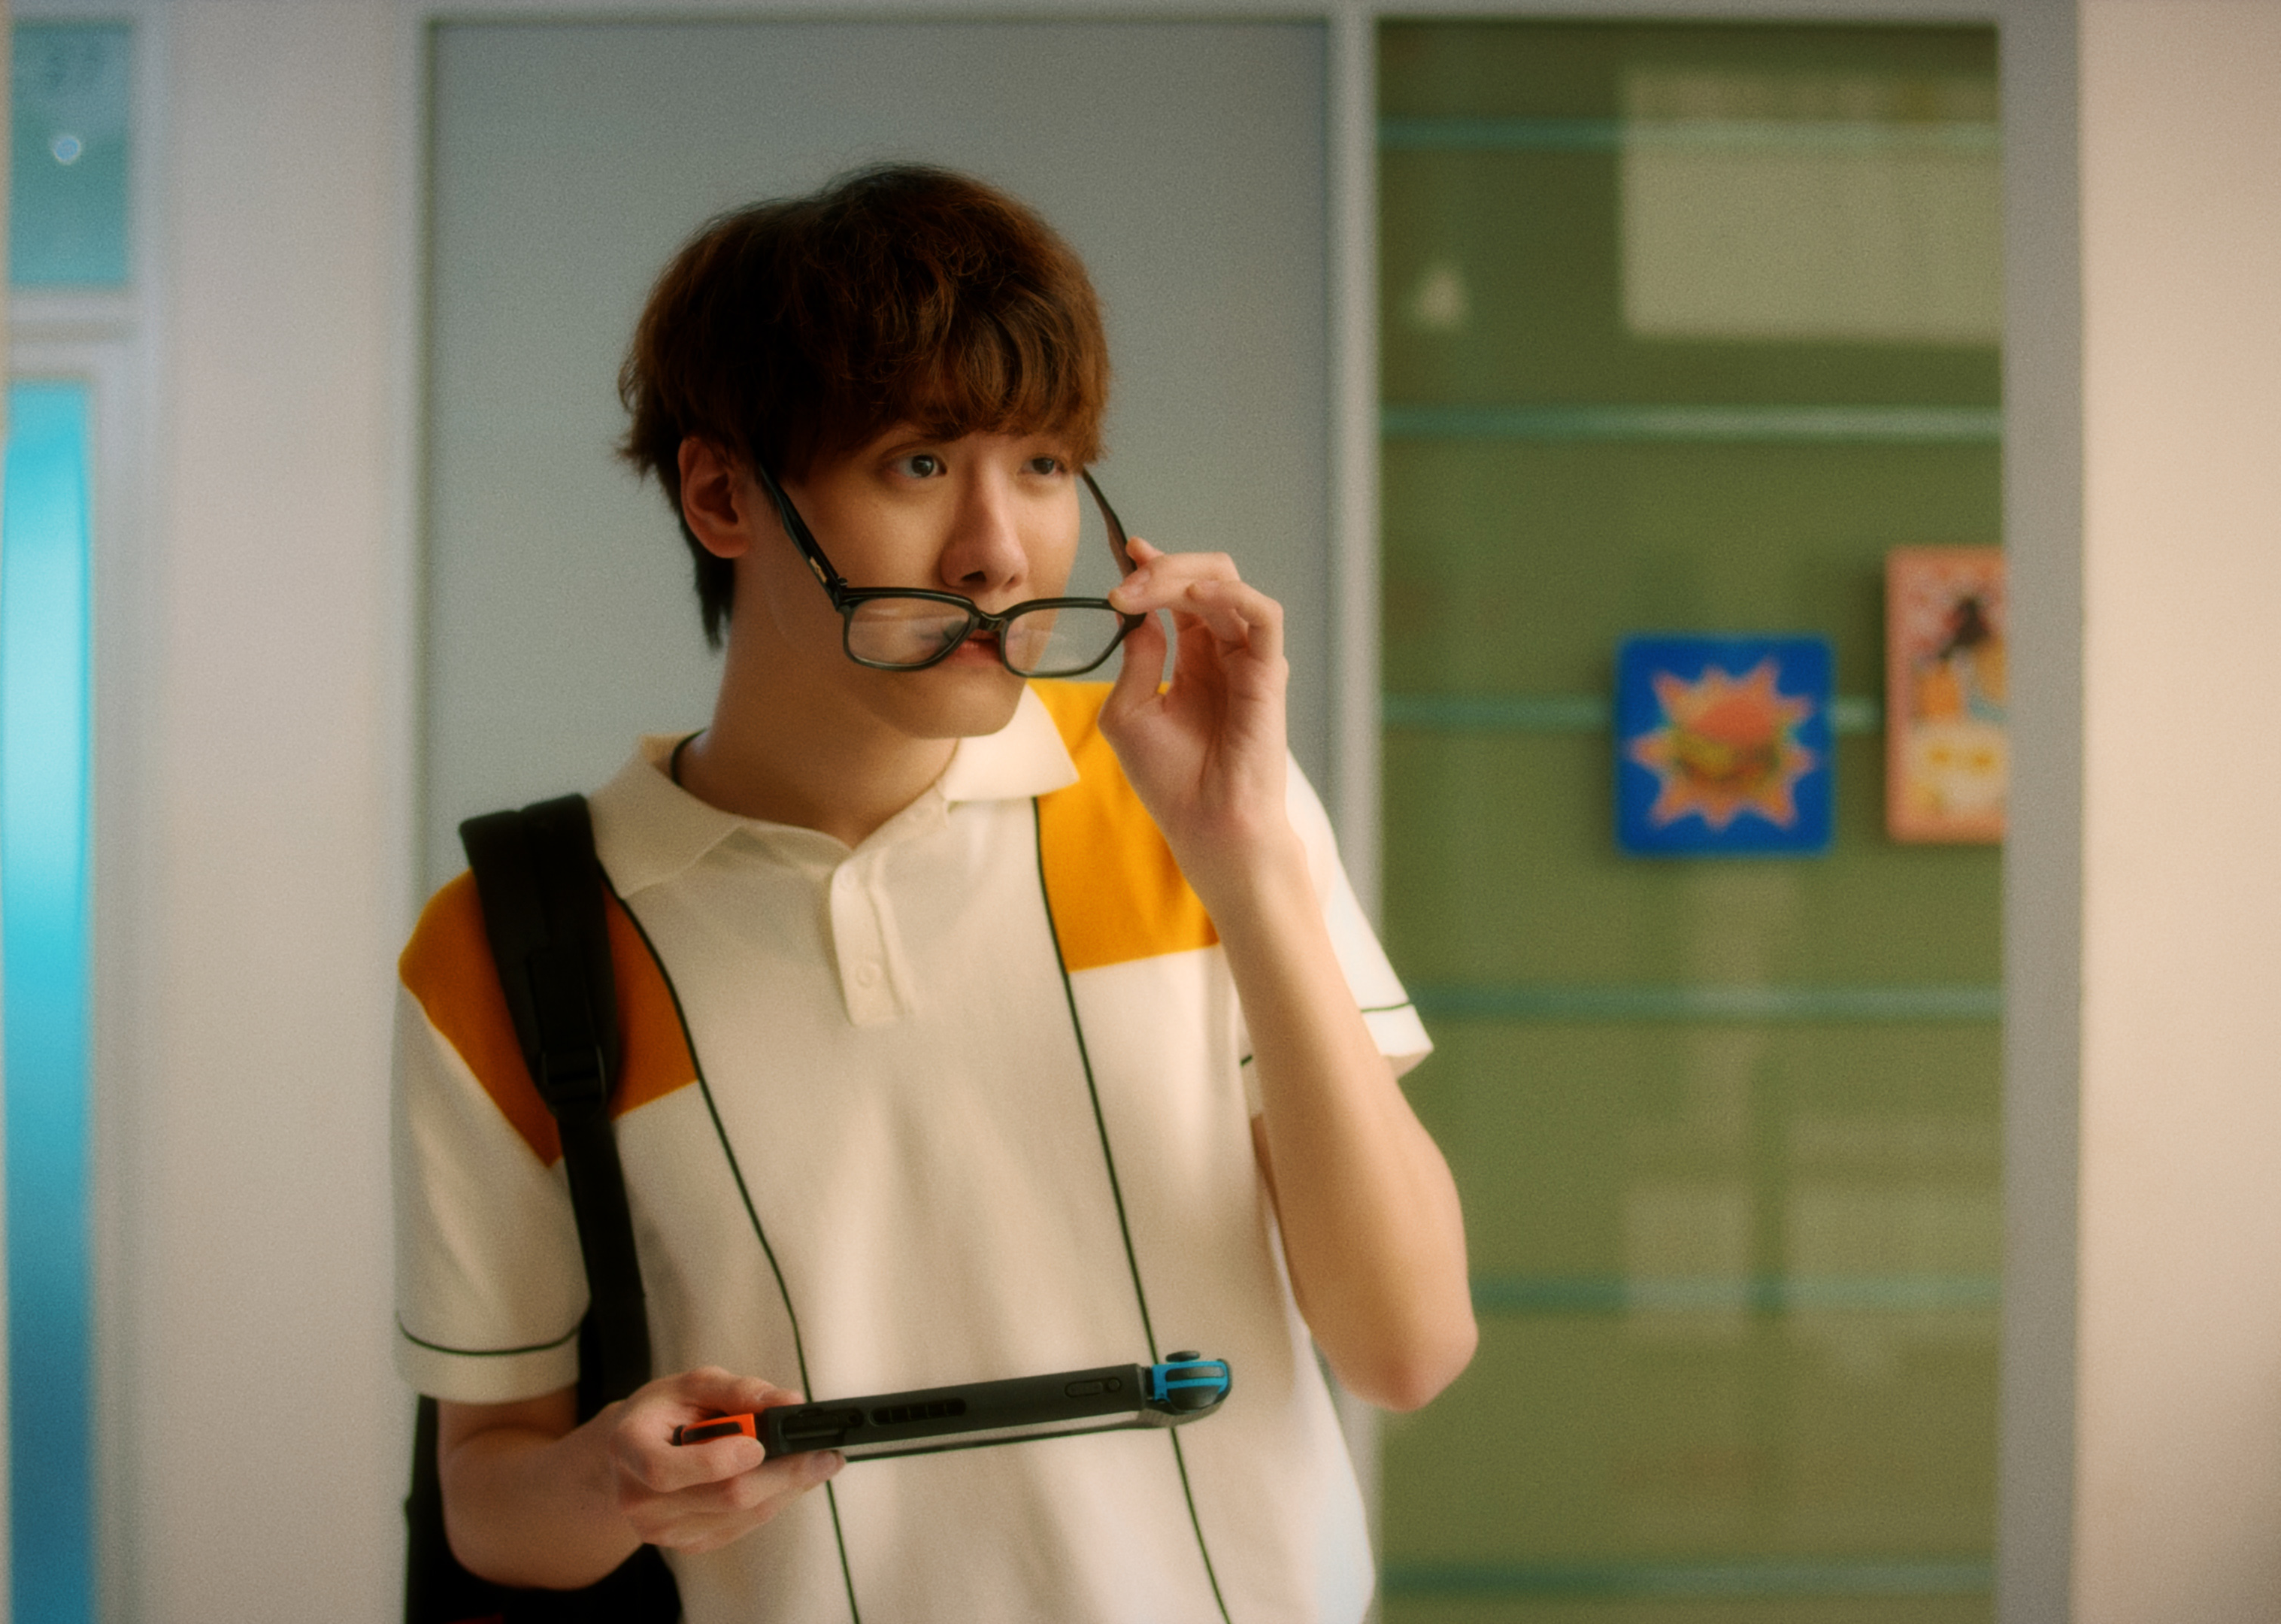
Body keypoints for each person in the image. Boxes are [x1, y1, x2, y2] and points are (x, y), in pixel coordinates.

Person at [392, 162, 1473, 1623]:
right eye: (918, 463)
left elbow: (1409, 1348)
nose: (999, 551)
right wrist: (611, 1485)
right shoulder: (505, 946)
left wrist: (1252, 865)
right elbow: (487, 1494)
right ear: (722, 494)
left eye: (1044, 466)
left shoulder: (1188, 805)